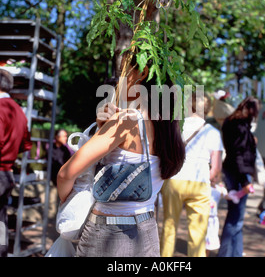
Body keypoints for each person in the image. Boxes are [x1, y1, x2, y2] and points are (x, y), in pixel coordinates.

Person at [57, 52, 186, 257]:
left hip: (108, 234)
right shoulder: (169, 127)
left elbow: (66, 174)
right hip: (147, 232)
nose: (119, 83)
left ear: (142, 73)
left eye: (123, 73)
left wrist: (71, 202)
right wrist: (102, 126)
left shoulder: (126, 121)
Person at [160, 92, 223, 257]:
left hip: (174, 180)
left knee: (169, 227)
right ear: (207, 110)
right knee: (198, 234)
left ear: (188, 105)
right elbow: (215, 168)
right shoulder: (213, 132)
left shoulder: (175, 127)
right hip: (200, 183)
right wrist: (207, 179)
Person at [218, 96, 259, 257]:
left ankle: (235, 252)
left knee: (236, 217)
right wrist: (244, 181)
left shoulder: (231, 122)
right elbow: (239, 154)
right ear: (250, 110)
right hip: (239, 173)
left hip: (232, 170)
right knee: (236, 218)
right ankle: (226, 254)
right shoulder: (241, 126)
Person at [0, 69, 32, 257]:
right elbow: (26, 144)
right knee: (1, 218)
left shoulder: (1, 108)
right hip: (7, 173)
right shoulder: (18, 110)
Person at [206, 181, 228, 257]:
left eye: (216, 176)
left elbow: (227, 196)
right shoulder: (204, 186)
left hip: (212, 219)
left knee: (208, 243)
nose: (213, 179)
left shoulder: (219, 189)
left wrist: (239, 194)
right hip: (203, 217)